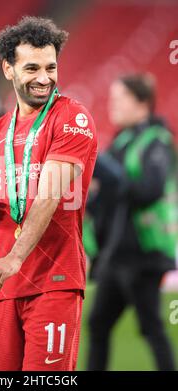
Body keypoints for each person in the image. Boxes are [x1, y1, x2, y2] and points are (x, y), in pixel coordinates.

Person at [0, 16, 97, 371]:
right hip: (2, 284)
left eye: (51, 67)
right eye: (32, 68)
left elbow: (50, 195)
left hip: (53, 282)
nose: (45, 78)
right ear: (8, 69)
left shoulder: (72, 118)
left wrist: (15, 258)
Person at [86, 74, 177, 371]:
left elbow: (150, 190)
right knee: (98, 324)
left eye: (119, 98)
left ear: (142, 103)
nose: (112, 104)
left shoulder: (158, 141)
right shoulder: (122, 140)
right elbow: (106, 195)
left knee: (150, 327)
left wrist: (111, 175)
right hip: (118, 253)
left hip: (144, 253)